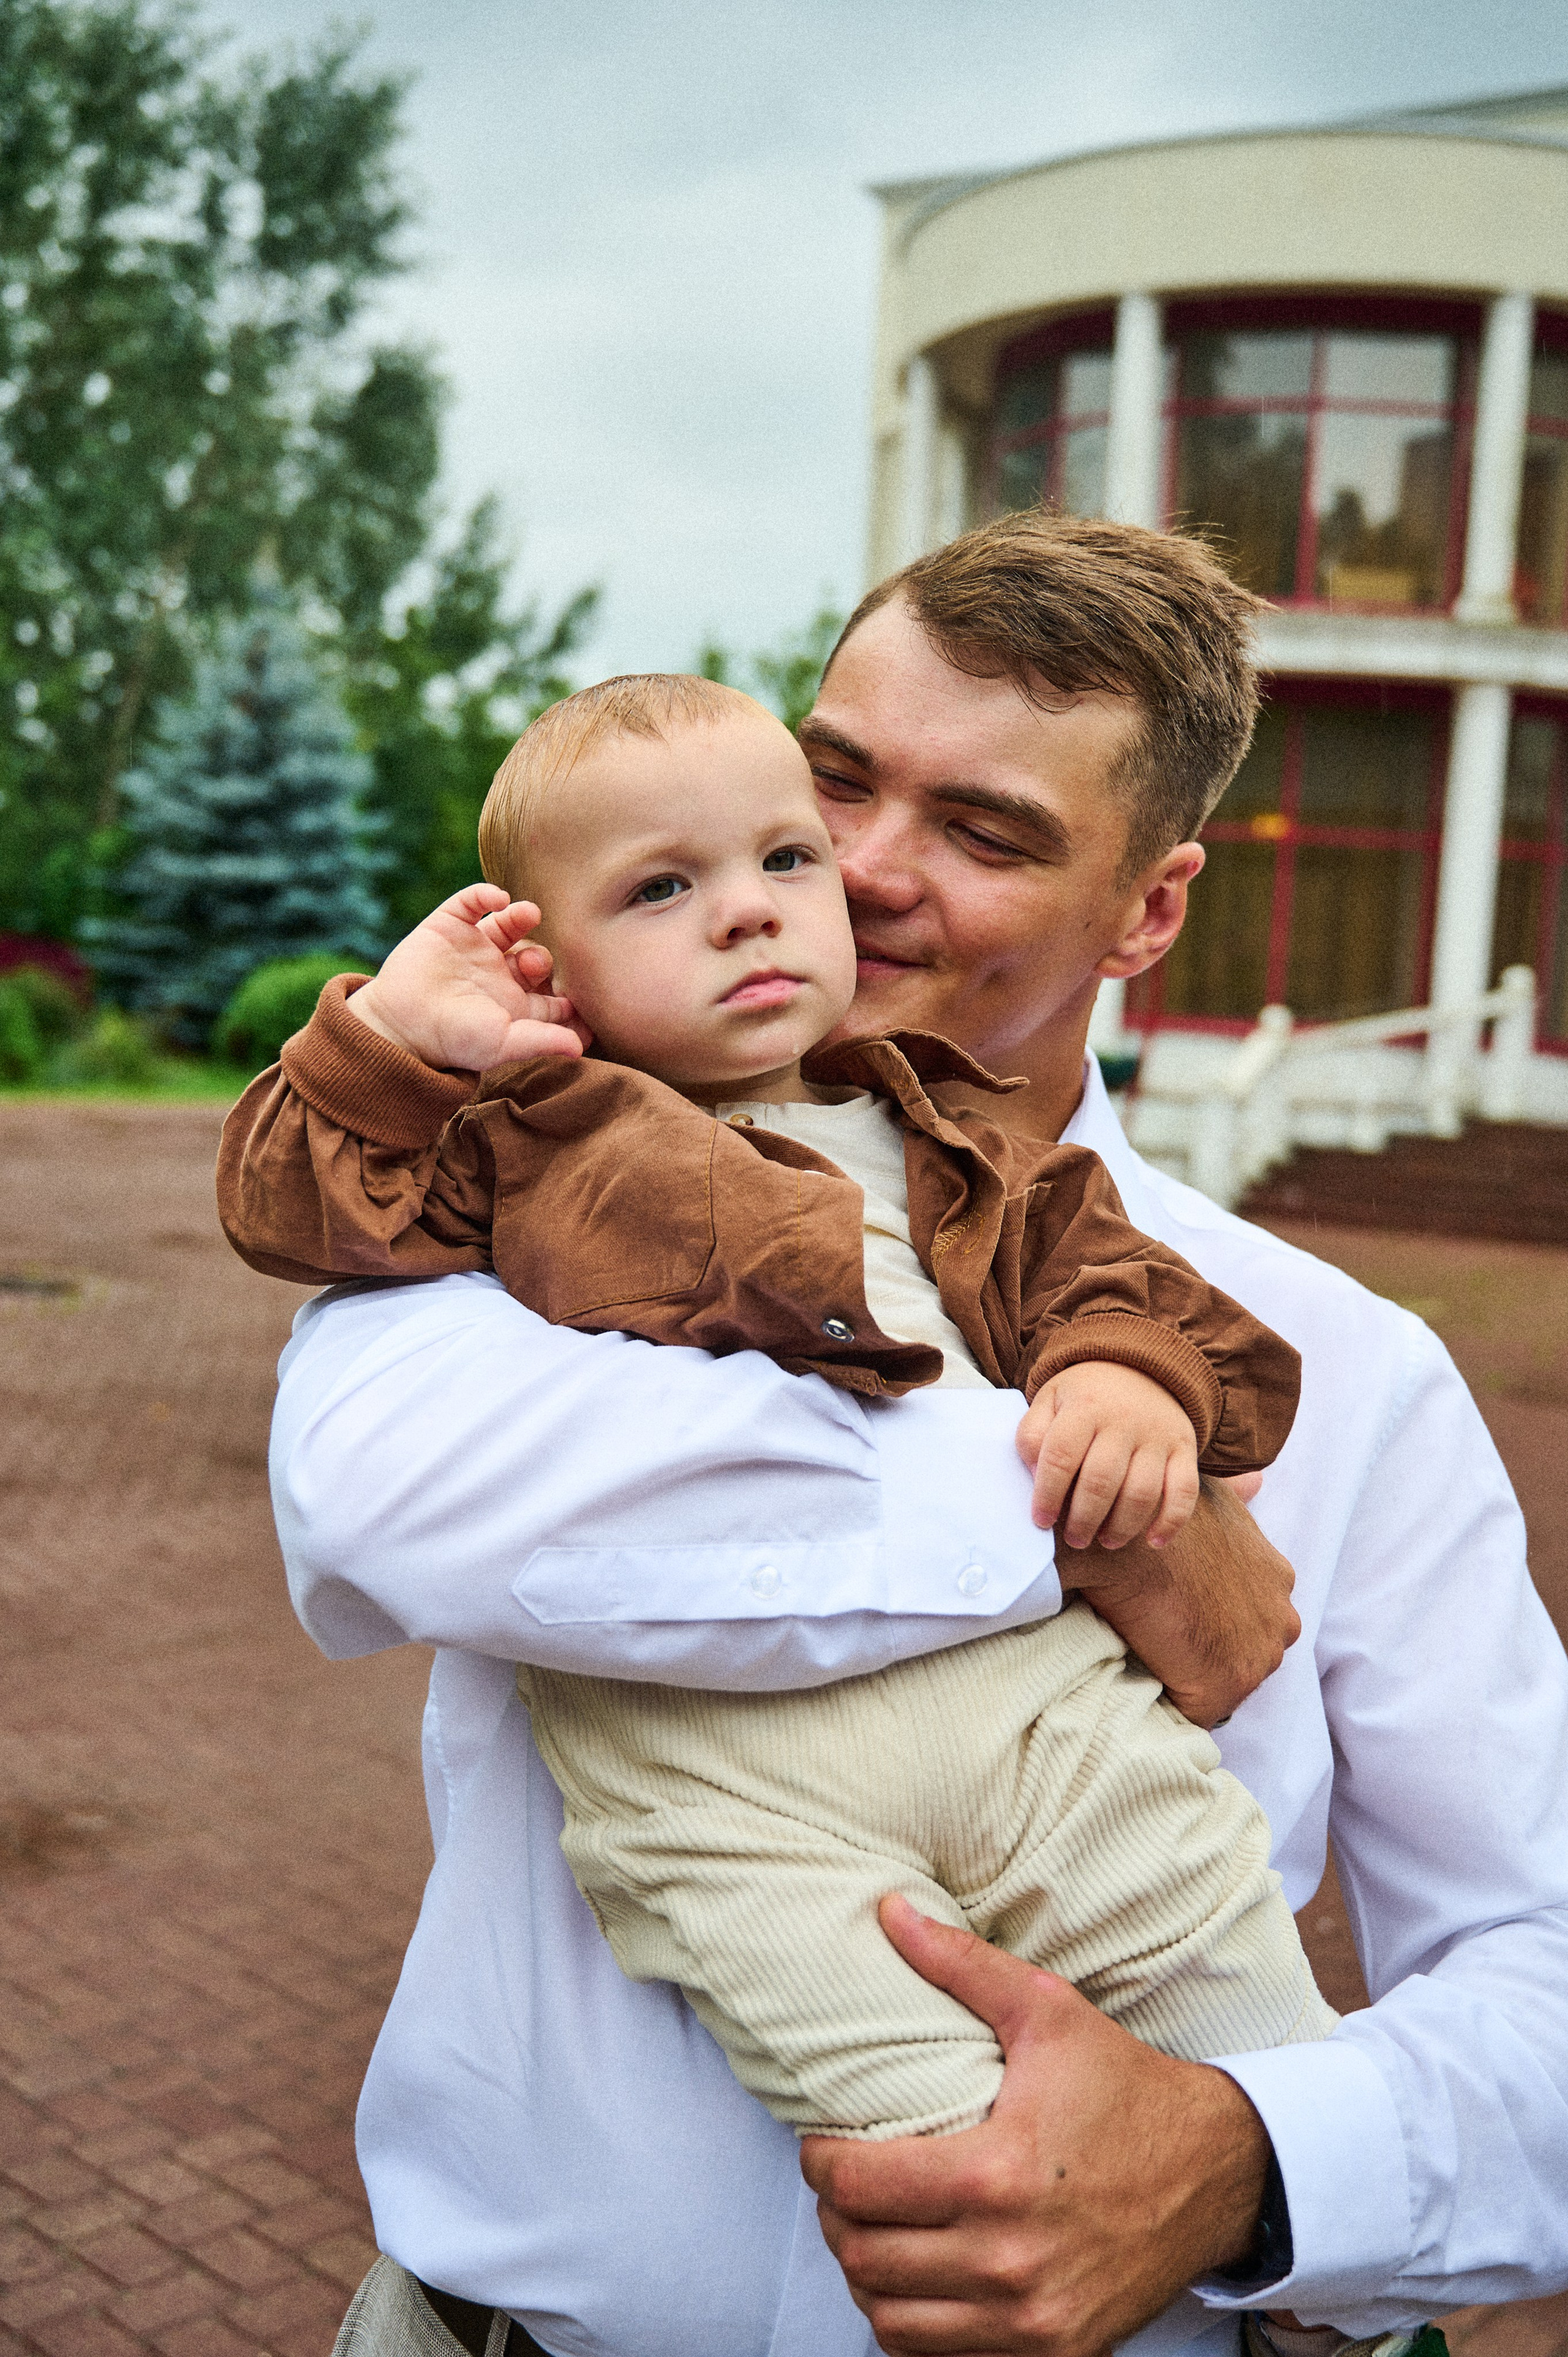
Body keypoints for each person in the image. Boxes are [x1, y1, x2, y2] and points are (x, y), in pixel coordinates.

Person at [264, 515, 1568, 2357]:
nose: (856, 875)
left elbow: (1547, 1969)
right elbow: (370, 1504)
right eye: (834, 781)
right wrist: (1086, 1515)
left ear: (1150, 910)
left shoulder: (1343, 1371)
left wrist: (1253, 2160)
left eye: (984, 831)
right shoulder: (522, 1194)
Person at [218, 668, 1325, 2146]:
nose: (750, 908)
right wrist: (401, 1046)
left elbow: (1119, 1282)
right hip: (727, 1801)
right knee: (954, 2166)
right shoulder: (521, 1145)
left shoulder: (955, 1134)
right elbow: (300, 1209)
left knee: (1258, 2043)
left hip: (1052, 1734)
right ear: (551, 966)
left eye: (782, 858)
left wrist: (1125, 1373)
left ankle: (1329, 2308)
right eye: (662, 887)